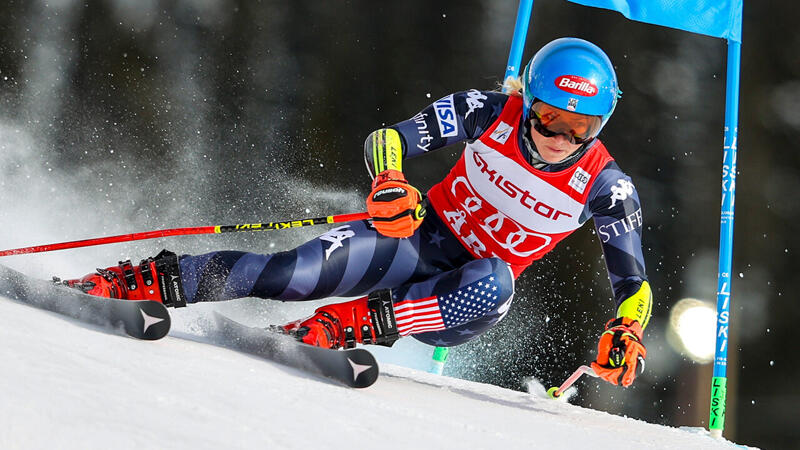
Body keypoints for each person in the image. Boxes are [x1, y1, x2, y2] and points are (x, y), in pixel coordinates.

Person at [61, 37, 651, 388]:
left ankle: (342, 326)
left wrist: (627, 329)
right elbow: (387, 139)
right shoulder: (489, 111)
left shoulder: (606, 185)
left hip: (465, 295)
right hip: (417, 237)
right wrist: (391, 182)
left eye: (582, 127)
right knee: (291, 274)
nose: (560, 138)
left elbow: (634, 284)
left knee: (496, 280)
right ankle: (144, 280)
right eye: (550, 117)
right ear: (530, 101)